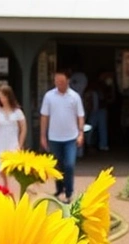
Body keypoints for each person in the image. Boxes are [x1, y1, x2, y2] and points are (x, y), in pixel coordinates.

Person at [40, 70, 85, 203]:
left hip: (71, 137)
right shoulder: (49, 96)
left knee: (69, 165)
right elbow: (44, 117)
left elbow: (80, 116)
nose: (59, 84)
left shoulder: (75, 97)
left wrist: (81, 133)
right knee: (57, 167)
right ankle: (59, 189)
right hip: (54, 137)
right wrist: (43, 136)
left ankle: (69, 192)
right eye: (57, 81)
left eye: (62, 81)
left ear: (68, 81)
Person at [0, 85, 26, 188]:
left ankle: (18, 188)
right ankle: (6, 187)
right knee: (1, 167)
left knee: (14, 167)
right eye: (0, 97)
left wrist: (20, 143)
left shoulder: (17, 112)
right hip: (0, 142)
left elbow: (23, 128)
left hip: (13, 142)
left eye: (4, 96)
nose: (2, 99)